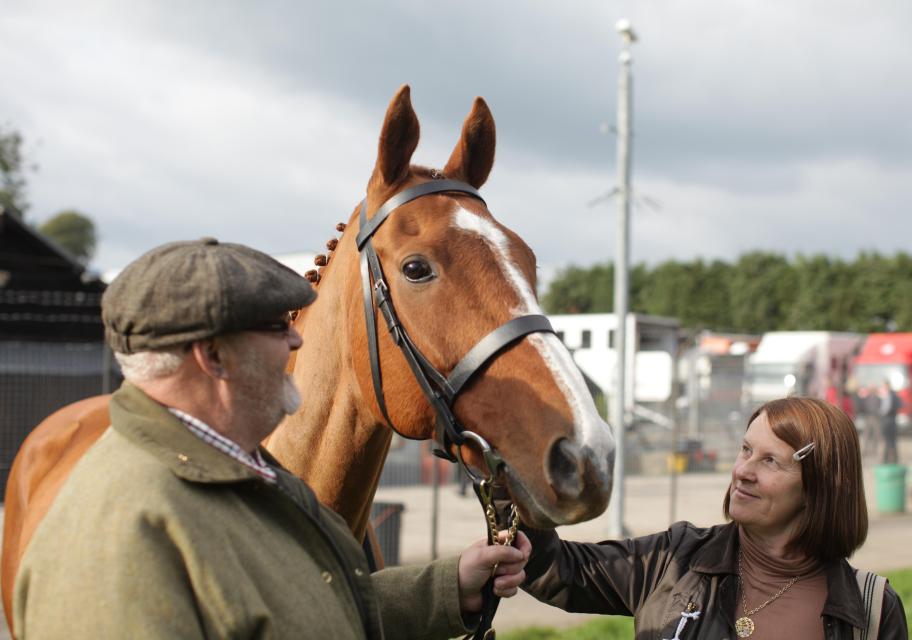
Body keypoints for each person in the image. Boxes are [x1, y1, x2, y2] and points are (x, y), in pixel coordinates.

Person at [13, 238, 530, 639]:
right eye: (274, 325)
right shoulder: (119, 532)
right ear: (212, 355)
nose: (296, 337)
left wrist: (448, 588)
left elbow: (303, 605)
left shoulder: (238, 465)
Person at [519, 397, 907, 639]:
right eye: (745, 450)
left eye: (770, 461)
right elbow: (557, 570)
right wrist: (517, 470)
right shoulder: (675, 561)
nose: (742, 471)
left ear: (819, 487)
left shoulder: (870, 611)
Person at [878, 381, 901, 464]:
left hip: (888, 420)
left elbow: (886, 409)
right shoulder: (893, 396)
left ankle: (890, 459)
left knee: (889, 441)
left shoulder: (888, 396)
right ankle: (889, 458)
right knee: (891, 441)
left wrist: (880, 413)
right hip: (891, 420)